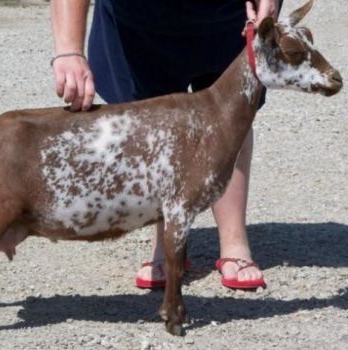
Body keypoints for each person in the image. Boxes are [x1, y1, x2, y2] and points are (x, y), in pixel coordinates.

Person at [50, 0, 279, 290]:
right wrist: (68, 51)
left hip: (228, 14)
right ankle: (167, 243)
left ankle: (234, 243)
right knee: (152, 121)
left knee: (230, 114)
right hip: (139, 22)